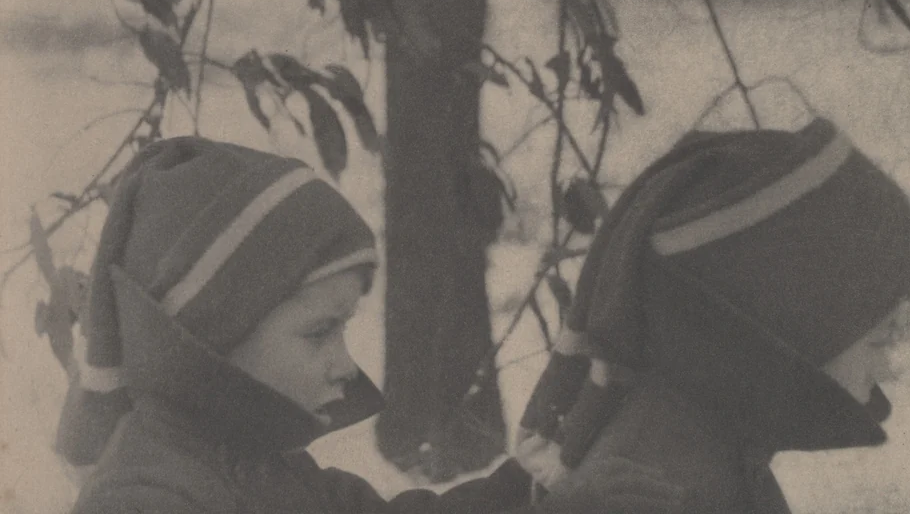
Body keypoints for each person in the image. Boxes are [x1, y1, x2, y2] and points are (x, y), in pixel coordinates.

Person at [57, 136, 684, 514]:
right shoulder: (148, 496)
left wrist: (526, 493)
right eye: (318, 333)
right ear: (213, 334)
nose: (344, 365)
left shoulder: (263, 466)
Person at [516, 116, 910, 514]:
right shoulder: (662, 480)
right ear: (796, 324)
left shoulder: (704, 440)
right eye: (877, 341)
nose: (887, 367)